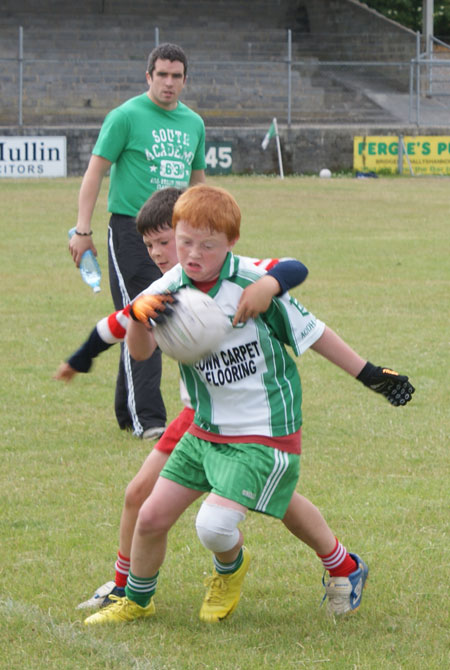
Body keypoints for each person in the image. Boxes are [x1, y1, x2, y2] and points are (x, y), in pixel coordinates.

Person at [81, 184, 414, 626]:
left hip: (263, 430)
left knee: (214, 526)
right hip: (205, 428)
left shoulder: (251, 282)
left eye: (206, 244)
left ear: (230, 243)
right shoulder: (168, 288)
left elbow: (310, 323)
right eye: (180, 242)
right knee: (152, 515)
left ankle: (231, 568)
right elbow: (133, 344)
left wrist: (369, 373)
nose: (188, 253)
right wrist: (123, 329)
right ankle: (137, 599)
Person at [68, 43, 206, 440]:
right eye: (161, 75)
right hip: (131, 230)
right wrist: (83, 230)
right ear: (148, 77)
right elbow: (95, 173)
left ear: (184, 80)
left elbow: (198, 182)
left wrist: (206, 229)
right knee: (146, 314)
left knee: (160, 315)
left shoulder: (193, 123)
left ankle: (128, 412)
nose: (168, 83)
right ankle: (149, 420)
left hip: (178, 233)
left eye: (176, 76)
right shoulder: (125, 116)